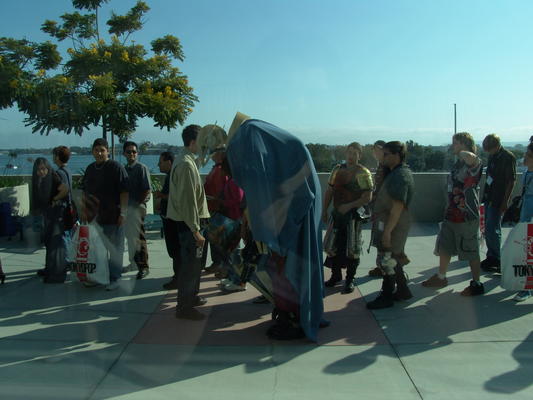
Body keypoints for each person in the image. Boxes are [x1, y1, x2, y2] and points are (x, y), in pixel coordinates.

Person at [226, 114, 325, 341]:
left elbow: (266, 191)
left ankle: (294, 318)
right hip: (293, 217)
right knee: (283, 268)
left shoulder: (253, 139)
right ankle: (290, 314)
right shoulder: (276, 146)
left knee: (287, 269)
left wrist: (268, 232)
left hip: (292, 220)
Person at [422, 132, 484, 296]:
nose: (452, 146)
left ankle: (477, 283)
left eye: (455, 143)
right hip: (451, 213)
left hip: (466, 215)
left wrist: (463, 151)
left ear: (464, 144)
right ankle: (441, 277)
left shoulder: (473, 163)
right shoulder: (457, 164)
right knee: (445, 247)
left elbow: (472, 159)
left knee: (470, 249)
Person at [167, 125, 210, 320]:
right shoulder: (185, 165)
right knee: (190, 266)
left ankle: (192, 297)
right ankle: (184, 307)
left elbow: (200, 162)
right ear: (193, 143)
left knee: (194, 264)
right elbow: (187, 201)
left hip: (190, 222)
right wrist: (195, 230)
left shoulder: (186, 159)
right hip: (189, 224)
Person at [366, 141, 415, 309]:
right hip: (387, 221)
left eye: (386, 154)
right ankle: (402, 290)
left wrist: (387, 231)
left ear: (396, 155)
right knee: (391, 258)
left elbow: (398, 206)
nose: (383, 157)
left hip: (394, 224)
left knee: (387, 258)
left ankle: (386, 296)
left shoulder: (400, 176)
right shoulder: (394, 173)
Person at [322, 142, 373, 294]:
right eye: (349, 152)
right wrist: (324, 210)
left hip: (353, 216)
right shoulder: (337, 169)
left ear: (359, 155)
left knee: (352, 249)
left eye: (354, 153)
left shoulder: (363, 172)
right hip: (337, 214)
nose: (351, 156)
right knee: (331, 246)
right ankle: (336, 275)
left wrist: (350, 206)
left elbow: (367, 197)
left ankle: (350, 279)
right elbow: (330, 191)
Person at [81, 138, 129, 290]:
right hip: (95, 218)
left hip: (114, 217)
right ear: (92, 151)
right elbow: (85, 192)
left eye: (102, 150)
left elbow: (124, 192)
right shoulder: (90, 169)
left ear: (108, 151)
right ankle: (99, 277)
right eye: (96, 150)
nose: (99, 153)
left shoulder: (116, 167)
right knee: (97, 250)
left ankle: (115, 278)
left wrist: (123, 213)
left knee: (115, 250)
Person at [481, 134, 516, 273]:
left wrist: (505, 201)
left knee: (494, 229)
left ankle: (497, 258)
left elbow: (511, 181)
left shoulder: (508, 157)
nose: (488, 152)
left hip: (498, 198)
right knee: (488, 228)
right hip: (489, 196)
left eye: (489, 149)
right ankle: (491, 255)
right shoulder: (492, 156)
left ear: (496, 146)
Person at [32, 157, 69, 283]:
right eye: (38, 170)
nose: (41, 172)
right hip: (47, 216)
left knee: (56, 245)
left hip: (56, 215)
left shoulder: (53, 177)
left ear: (48, 169)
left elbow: (65, 189)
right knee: (49, 243)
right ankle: (50, 269)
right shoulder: (40, 180)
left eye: (44, 169)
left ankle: (57, 274)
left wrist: (55, 199)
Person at [122, 141, 152, 280]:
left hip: (137, 208)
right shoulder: (124, 169)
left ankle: (144, 266)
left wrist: (135, 206)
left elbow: (146, 190)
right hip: (127, 209)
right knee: (130, 238)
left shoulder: (141, 168)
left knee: (139, 238)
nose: (132, 154)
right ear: (124, 153)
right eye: (129, 152)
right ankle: (134, 263)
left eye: (134, 152)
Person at [153, 151, 180, 290]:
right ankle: (178, 276)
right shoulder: (171, 175)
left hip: (172, 220)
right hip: (168, 217)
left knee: (175, 249)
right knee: (174, 249)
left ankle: (178, 278)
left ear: (169, 162)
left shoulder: (173, 175)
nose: (158, 165)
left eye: (160, 162)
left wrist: (161, 196)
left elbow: (176, 195)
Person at [513, 143, 533, 301]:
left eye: (529, 155)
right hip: (525, 218)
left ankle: (527, 289)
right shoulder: (527, 172)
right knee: (526, 253)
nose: (525, 157)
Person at [368, 140, 390, 277]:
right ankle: (380, 266)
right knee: (378, 237)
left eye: (378, 150)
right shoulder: (381, 166)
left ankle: (385, 267)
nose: (375, 153)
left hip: (384, 211)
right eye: (374, 150)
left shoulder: (387, 167)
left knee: (384, 239)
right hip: (378, 209)